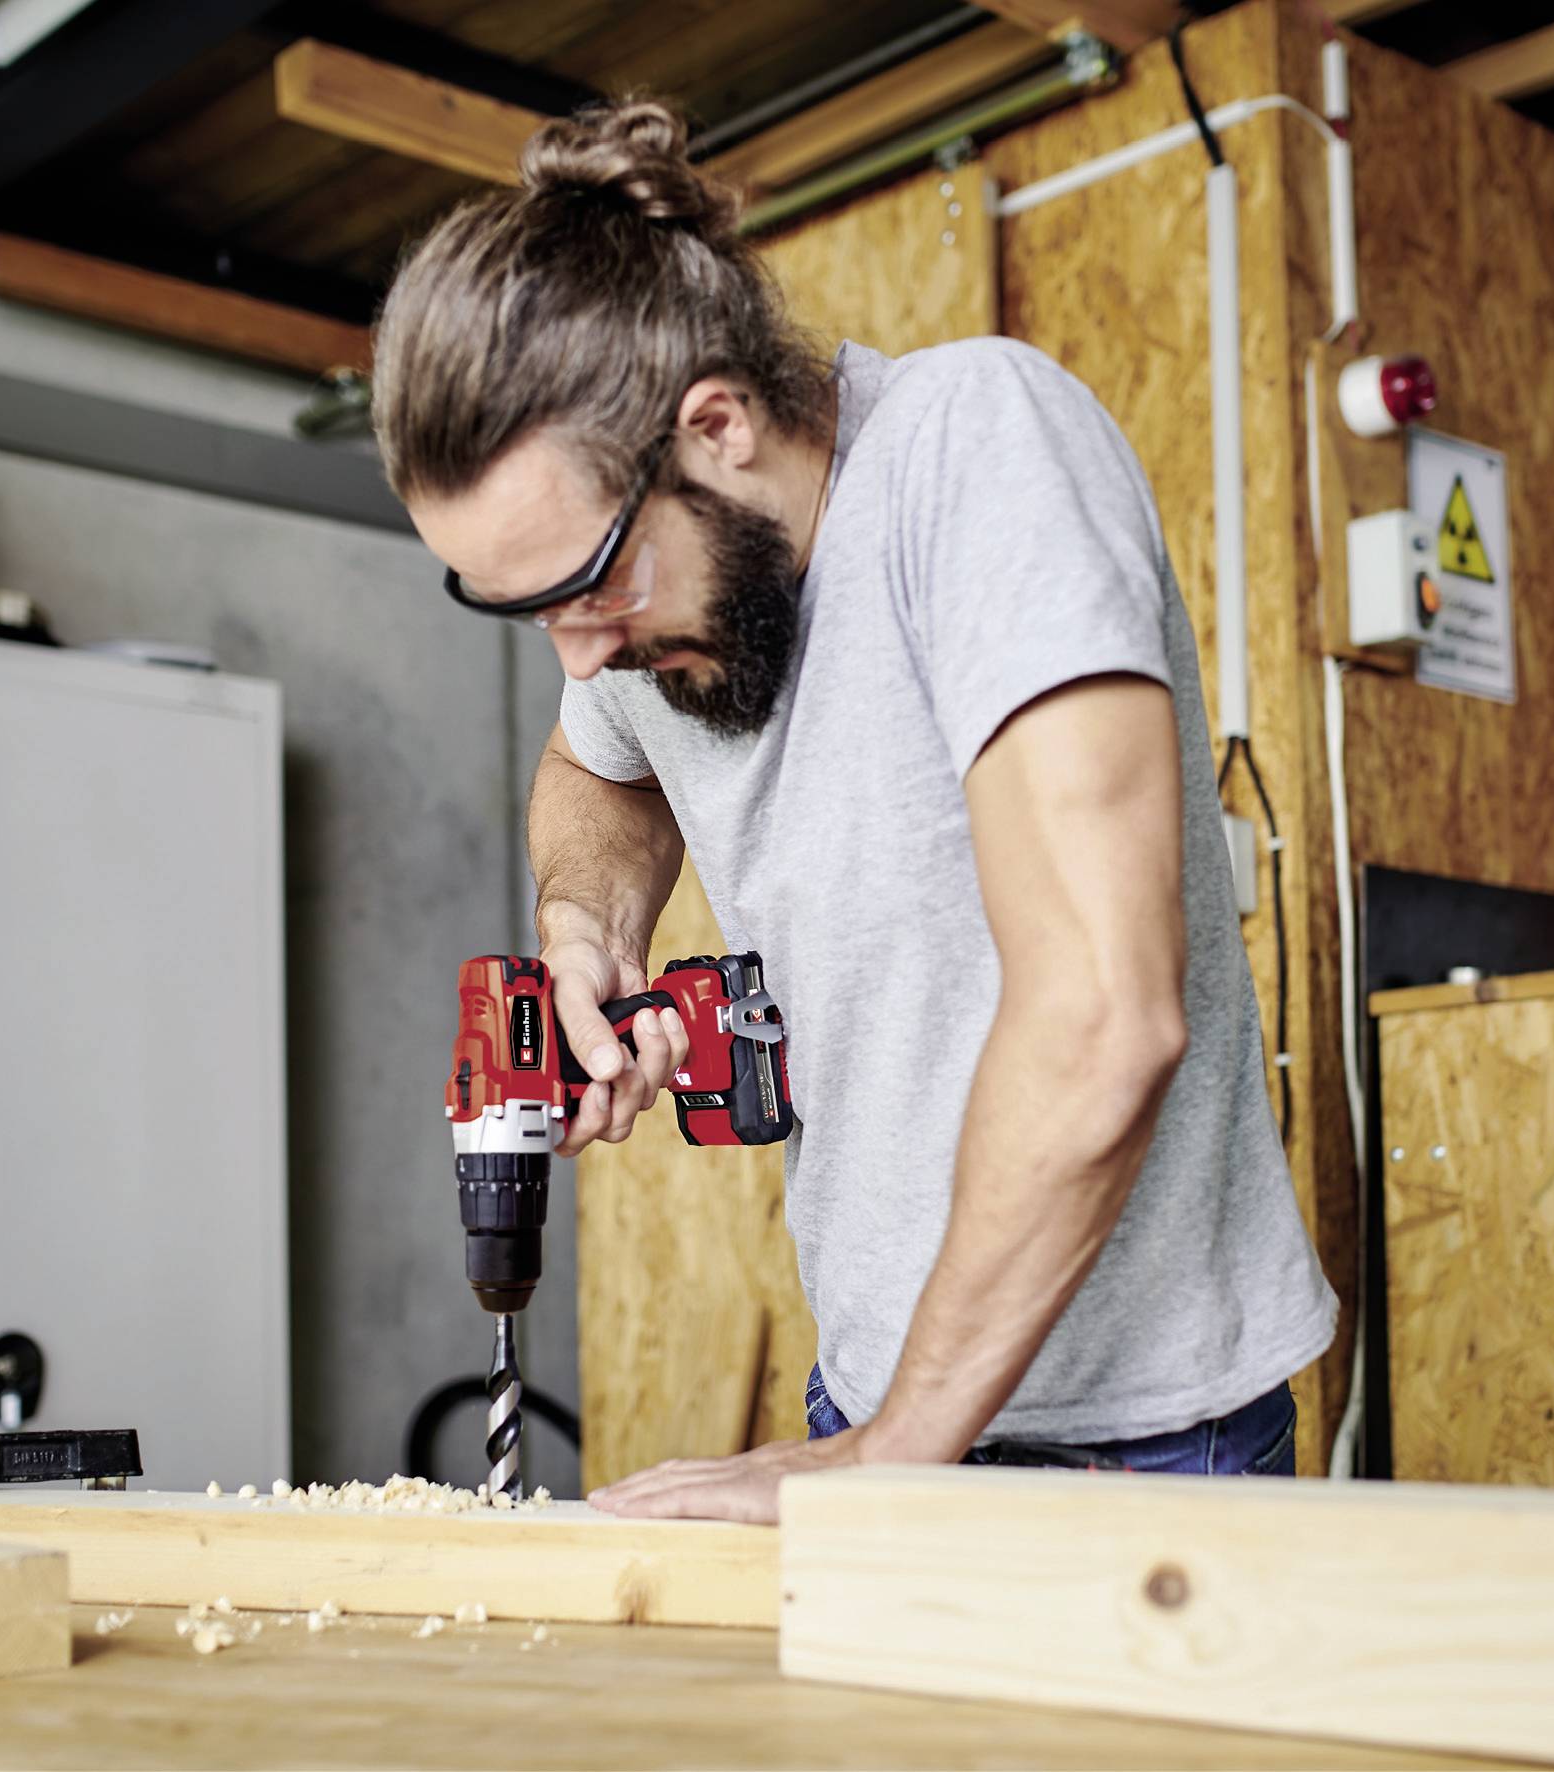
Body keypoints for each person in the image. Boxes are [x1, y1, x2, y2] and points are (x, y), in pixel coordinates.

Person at [370, 99, 1338, 1522]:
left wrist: (883, 1460)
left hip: (1131, 1443)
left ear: (717, 425)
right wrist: (588, 929)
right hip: (879, 1399)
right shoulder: (654, 614)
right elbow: (594, 765)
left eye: (586, 589)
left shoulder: (976, 455)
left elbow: (1102, 1021)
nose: (577, 653)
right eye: (527, 614)